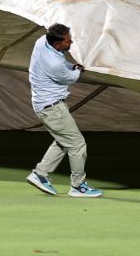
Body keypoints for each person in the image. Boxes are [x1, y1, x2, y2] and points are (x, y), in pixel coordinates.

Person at [25, 23, 103, 198]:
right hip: (52, 108)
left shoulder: (41, 41)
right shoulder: (54, 64)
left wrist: (71, 66)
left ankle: (40, 174)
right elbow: (70, 77)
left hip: (46, 106)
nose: (72, 42)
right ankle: (78, 186)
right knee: (77, 144)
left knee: (63, 141)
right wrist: (78, 69)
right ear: (57, 44)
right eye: (68, 41)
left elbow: (64, 64)